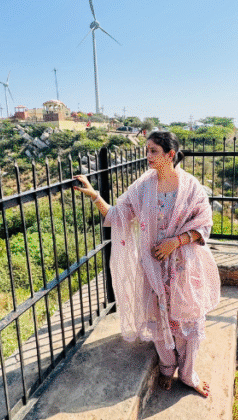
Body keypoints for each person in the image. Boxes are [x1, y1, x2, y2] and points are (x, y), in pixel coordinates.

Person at [74, 131, 220, 398]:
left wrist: (175, 242)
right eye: (147, 150)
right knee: (158, 318)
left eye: (154, 151)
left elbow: (204, 226)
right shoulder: (143, 188)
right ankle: (167, 366)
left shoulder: (191, 187)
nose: (148, 156)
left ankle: (188, 375)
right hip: (152, 267)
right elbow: (118, 215)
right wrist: (95, 195)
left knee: (188, 320)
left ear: (170, 155)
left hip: (183, 267)